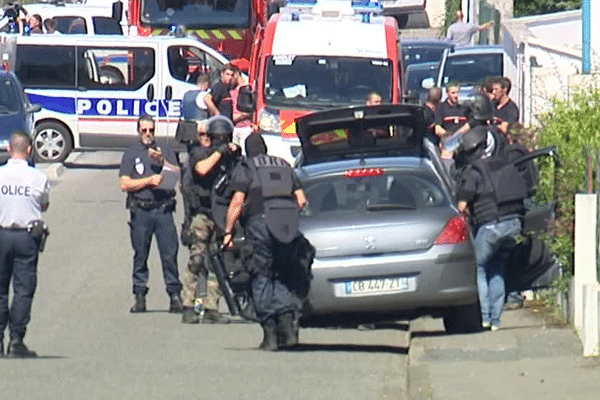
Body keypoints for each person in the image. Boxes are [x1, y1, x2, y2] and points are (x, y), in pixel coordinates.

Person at [222, 134, 309, 351]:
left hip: (259, 223)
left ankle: (269, 334)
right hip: (286, 225)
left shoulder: (247, 167)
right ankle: (288, 331)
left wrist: (228, 231)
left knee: (261, 273)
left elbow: (237, 202)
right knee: (282, 272)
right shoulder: (284, 165)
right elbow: (301, 200)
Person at [455, 126, 524, 331]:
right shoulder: (507, 165)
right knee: (497, 269)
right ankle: (496, 321)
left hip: (490, 226)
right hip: (514, 224)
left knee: (480, 267)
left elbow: (461, 206)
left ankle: (485, 318)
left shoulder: (475, 171)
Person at [119, 115, 183, 314]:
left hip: (163, 209)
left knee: (169, 254)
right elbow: (124, 183)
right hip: (141, 210)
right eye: (144, 130)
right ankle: (140, 296)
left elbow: (177, 175)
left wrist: (163, 161)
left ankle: (174, 295)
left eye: (151, 130)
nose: (148, 134)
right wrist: (148, 181)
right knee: (140, 254)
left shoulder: (165, 149)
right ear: (138, 131)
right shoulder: (131, 153)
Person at [180, 116, 240, 324]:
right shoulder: (199, 154)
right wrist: (219, 152)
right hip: (201, 215)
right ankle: (189, 304)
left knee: (218, 263)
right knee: (197, 260)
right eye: (217, 137)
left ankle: (212, 306)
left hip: (220, 216)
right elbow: (202, 170)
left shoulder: (229, 159)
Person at [0, 132, 50, 358]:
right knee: (23, 289)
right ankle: (17, 340)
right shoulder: (37, 177)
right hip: (26, 238)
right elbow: (44, 204)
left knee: (0, 290)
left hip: (1, 235)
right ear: (29, 150)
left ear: (9, 149)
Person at [434, 83, 470, 168]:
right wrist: (450, 138)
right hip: (448, 146)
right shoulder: (441, 108)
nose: (456, 95)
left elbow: (469, 125)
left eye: (457, 93)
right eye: (453, 93)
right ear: (447, 94)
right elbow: (437, 129)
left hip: (462, 145)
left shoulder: (464, 108)